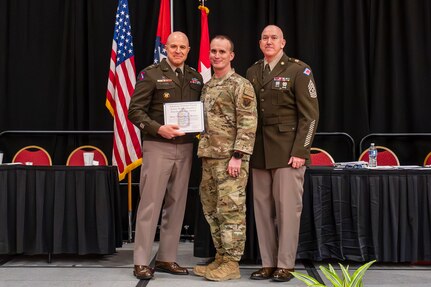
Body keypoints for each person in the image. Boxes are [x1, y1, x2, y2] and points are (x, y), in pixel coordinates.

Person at [246, 25, 319, 282]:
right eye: (264, 37)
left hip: (288, 153)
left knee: (288, 211)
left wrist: (301, 150)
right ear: (259, 42)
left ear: (283, 42)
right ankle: (268, 263)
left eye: (273, 38)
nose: (269, 41)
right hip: (259, 152)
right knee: (262, 211)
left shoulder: (298, 70)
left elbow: (310, 116)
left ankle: (285, 264)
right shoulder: (253, 71)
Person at [128, 31, 203, 280]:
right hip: (157, 145)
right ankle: (140, 261)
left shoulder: (195, 77)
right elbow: (135, 111)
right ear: (166, 48)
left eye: (183, 46)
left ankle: (166, 258)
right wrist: (158, 128)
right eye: (173, 46)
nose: (178, 50)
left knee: (176, 204)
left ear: (189, 49)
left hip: (185, 147)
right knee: (150, 204)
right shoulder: (150, 74)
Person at [193, 35, 257, 281]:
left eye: (222, 51)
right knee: (212, 210)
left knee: (231, 210)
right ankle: (220, 256)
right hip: (209, 157)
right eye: (213, 51)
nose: (217, 55)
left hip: (231, 159)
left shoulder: (240, 85)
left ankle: (232, 263)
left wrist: (238, 156)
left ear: (231, 56)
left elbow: (248, 123)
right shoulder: (208, 85)